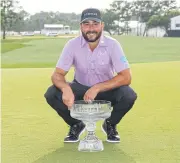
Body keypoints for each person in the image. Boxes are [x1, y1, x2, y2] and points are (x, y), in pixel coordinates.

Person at [44, 8, 137, 143]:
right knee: (51, 93)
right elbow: (57, 74)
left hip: (106, 90)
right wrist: (66, 88)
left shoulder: (113, 45)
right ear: (81, 26)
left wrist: (98, 87)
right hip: (80, 88)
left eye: (95, 24)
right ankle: (76, 124)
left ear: (102, 26)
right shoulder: (72, 45)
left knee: (129, 95)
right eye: (86, 24)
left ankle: (110, 124)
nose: (91, 28)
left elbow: (126, 77)